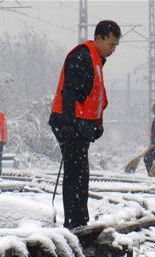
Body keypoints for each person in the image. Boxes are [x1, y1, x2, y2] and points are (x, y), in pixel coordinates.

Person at [49, 20, 121, 230]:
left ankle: (79, 221)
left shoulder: (95, 59)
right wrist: (70, 124)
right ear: (99, 38)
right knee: (75, 173)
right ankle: (74, 223)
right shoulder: (82, 56)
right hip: (69, 123)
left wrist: (97, 124)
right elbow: (69, 92)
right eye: (111, 44)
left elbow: (96, 98)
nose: (113, 50)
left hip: (81, 124)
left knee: (80, 172)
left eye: (116, 46)